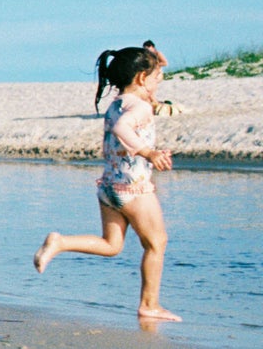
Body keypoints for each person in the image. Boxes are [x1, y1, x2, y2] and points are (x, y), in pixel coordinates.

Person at [34, 44, 179, 322]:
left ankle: (60, 242)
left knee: (111, 245)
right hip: (134, 189)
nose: (158, 83)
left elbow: (158, 69)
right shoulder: (140, 108)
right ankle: (149, 305)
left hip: (109, 187)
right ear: (140, 78)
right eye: (155, 78)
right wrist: (149, 153)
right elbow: (123, 128)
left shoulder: (117, 103)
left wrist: (152, 55)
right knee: (156, 243)